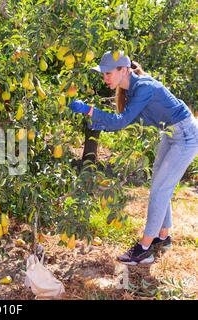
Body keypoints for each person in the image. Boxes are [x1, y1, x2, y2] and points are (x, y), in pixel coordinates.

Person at [68, 51, 198, 265]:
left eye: (108, 73)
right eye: (103, 74)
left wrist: (90, 110)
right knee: (158, 184)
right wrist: (96, 120)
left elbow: (119, 121)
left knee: (160, 189)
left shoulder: (144, 88)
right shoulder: (133, 91)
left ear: (124, 70)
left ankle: (144, 249)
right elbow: (124, 122)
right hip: (171, 133)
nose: (105, 78)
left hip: (185, 135)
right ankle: (162, 237)